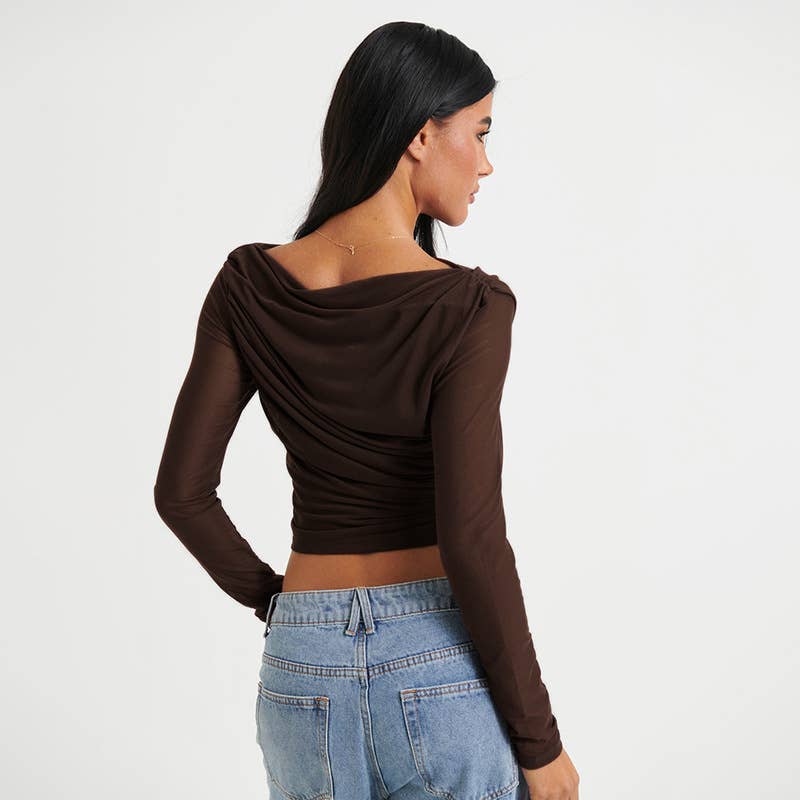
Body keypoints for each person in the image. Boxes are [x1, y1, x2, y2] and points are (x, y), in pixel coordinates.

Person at [153, 20, 579, 800]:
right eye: (481, 132)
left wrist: (277, 601)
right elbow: (473, 538)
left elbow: (181, 494)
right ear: (422, 135)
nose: (487, 162)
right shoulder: (466, 307)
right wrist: (540, 743)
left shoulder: (248, 285)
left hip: (301, 666)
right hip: (435, 664)